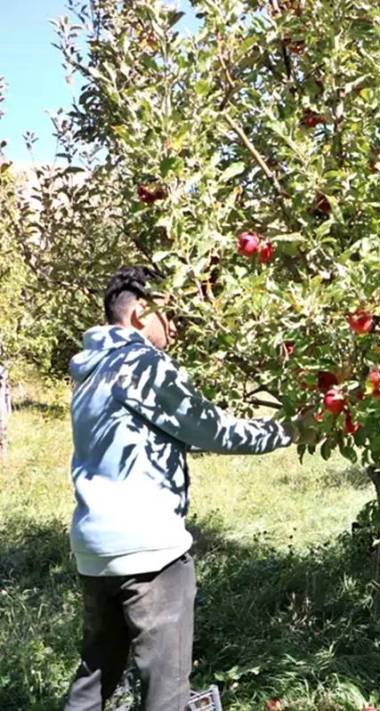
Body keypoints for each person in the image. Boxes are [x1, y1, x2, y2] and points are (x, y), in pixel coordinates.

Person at [64, 266, 300, 711]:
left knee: (96, 674)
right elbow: (213, 429)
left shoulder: (91, 370)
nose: (176, 326)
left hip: (95, 550)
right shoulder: (142, 364)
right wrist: (290, 431)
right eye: (169, 314)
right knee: (165, 688)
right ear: (140, 312)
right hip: (149, 551)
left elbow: (166, 430)